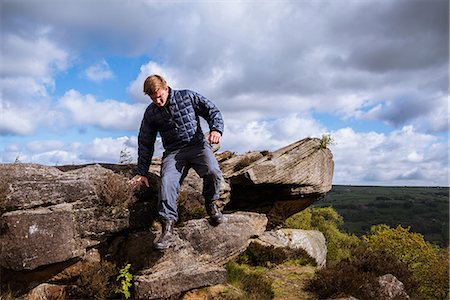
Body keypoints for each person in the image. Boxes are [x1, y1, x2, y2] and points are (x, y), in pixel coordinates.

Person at [133, 74, 224, 250]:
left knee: (213, 171)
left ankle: (211, 204)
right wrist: (142, 172)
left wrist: (216, 130)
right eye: (153, 98)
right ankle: (167, 230)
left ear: (166, 88)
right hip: (174, 153)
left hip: (198, 146)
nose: (158, 101)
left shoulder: (187, 96)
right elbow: (145, 142)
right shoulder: (151, 113)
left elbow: (212, 110)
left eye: (159, 96)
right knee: (166, 182)